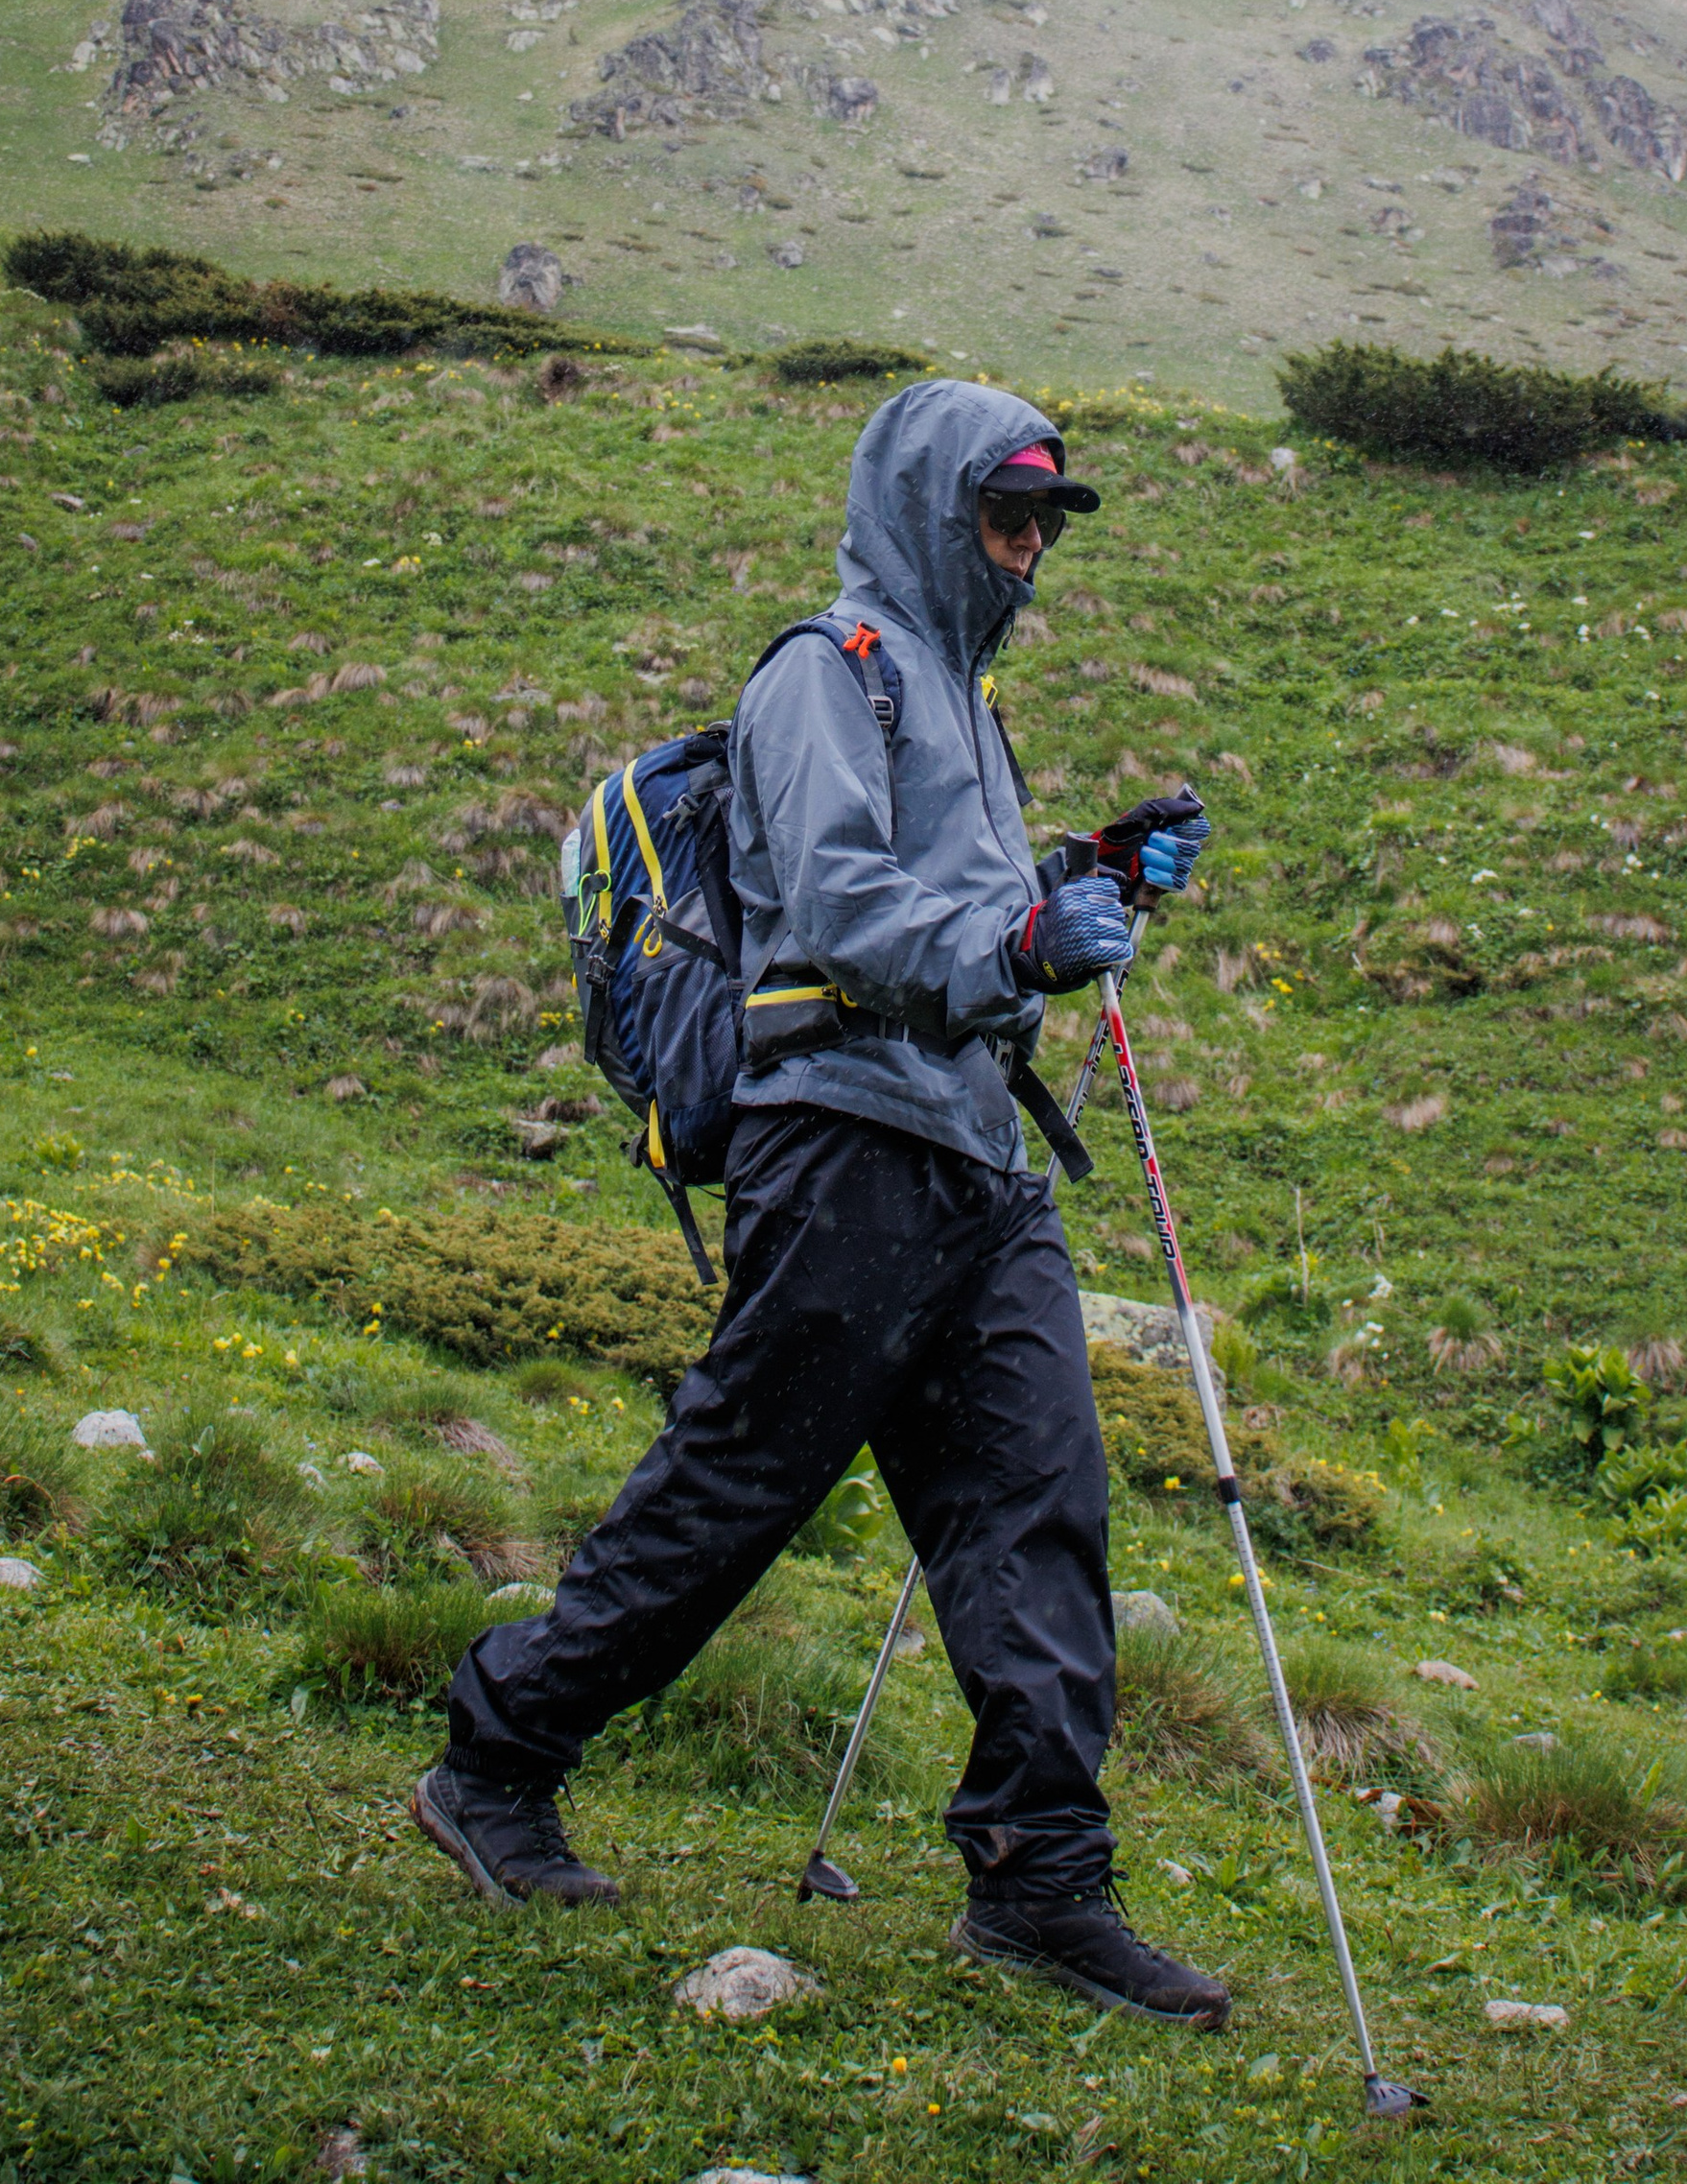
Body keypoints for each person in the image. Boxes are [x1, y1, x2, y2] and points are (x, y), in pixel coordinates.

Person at [410, 376, 1227, 2027]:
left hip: (982, 1165)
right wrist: (1014, 944)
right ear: (936, 513)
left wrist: (1085, 877)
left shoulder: (969, 709)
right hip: (841, 1146)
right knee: (740, 1486)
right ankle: (494, 1763)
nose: (1029, 555)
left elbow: (980, 937)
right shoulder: (822, 674)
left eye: (1046, 527)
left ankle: (1041, 1883)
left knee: (1039, 1503)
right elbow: (850, 911)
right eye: (1008, 519)